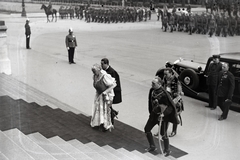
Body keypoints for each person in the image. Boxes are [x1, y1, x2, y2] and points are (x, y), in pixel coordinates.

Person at [144, 77, 179, 156]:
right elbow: (150, 102)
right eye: (152, 83)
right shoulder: (152, 91)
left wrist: (164, 114)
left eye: (154, 83)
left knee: (163, 134)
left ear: (159, 84)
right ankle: (152, 146)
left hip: (163, 118)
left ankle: (167, 150)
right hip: (154, 115)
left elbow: (170, 107)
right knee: (147, 129)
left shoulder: (165, 94)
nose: (152, 85)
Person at [90, 64, 117, 131]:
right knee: (98, 109)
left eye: (94, 71)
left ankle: (106, 125)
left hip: (106, 95)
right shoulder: (95, 76)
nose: (93, 73)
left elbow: (114, 84)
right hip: (99, 94)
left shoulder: (105, 76)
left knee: (105, 110)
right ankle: (99, 123)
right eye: (93, 71)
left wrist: (106, 92)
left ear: (99, 70)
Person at [163, 68, 184, 137]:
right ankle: (163, 131)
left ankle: (174, 131)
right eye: (164, 74)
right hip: (167, 100)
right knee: (165, 115)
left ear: (171, 73)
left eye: (166, 74)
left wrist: (173, 102)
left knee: (174, 116)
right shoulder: (165, 79)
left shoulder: (176, 81)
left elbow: (179, 94)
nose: (165, 75)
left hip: (175, 101)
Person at [101, 58, 122, 125]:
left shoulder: (112, 72)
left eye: (102, 64)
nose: (101, 65)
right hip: (107, 91)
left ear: (106, 64)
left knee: (108, 106)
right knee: (108, 106)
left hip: (111, 92)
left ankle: (111, 120)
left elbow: (114, 84)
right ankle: (113, 113)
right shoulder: (105, 71)